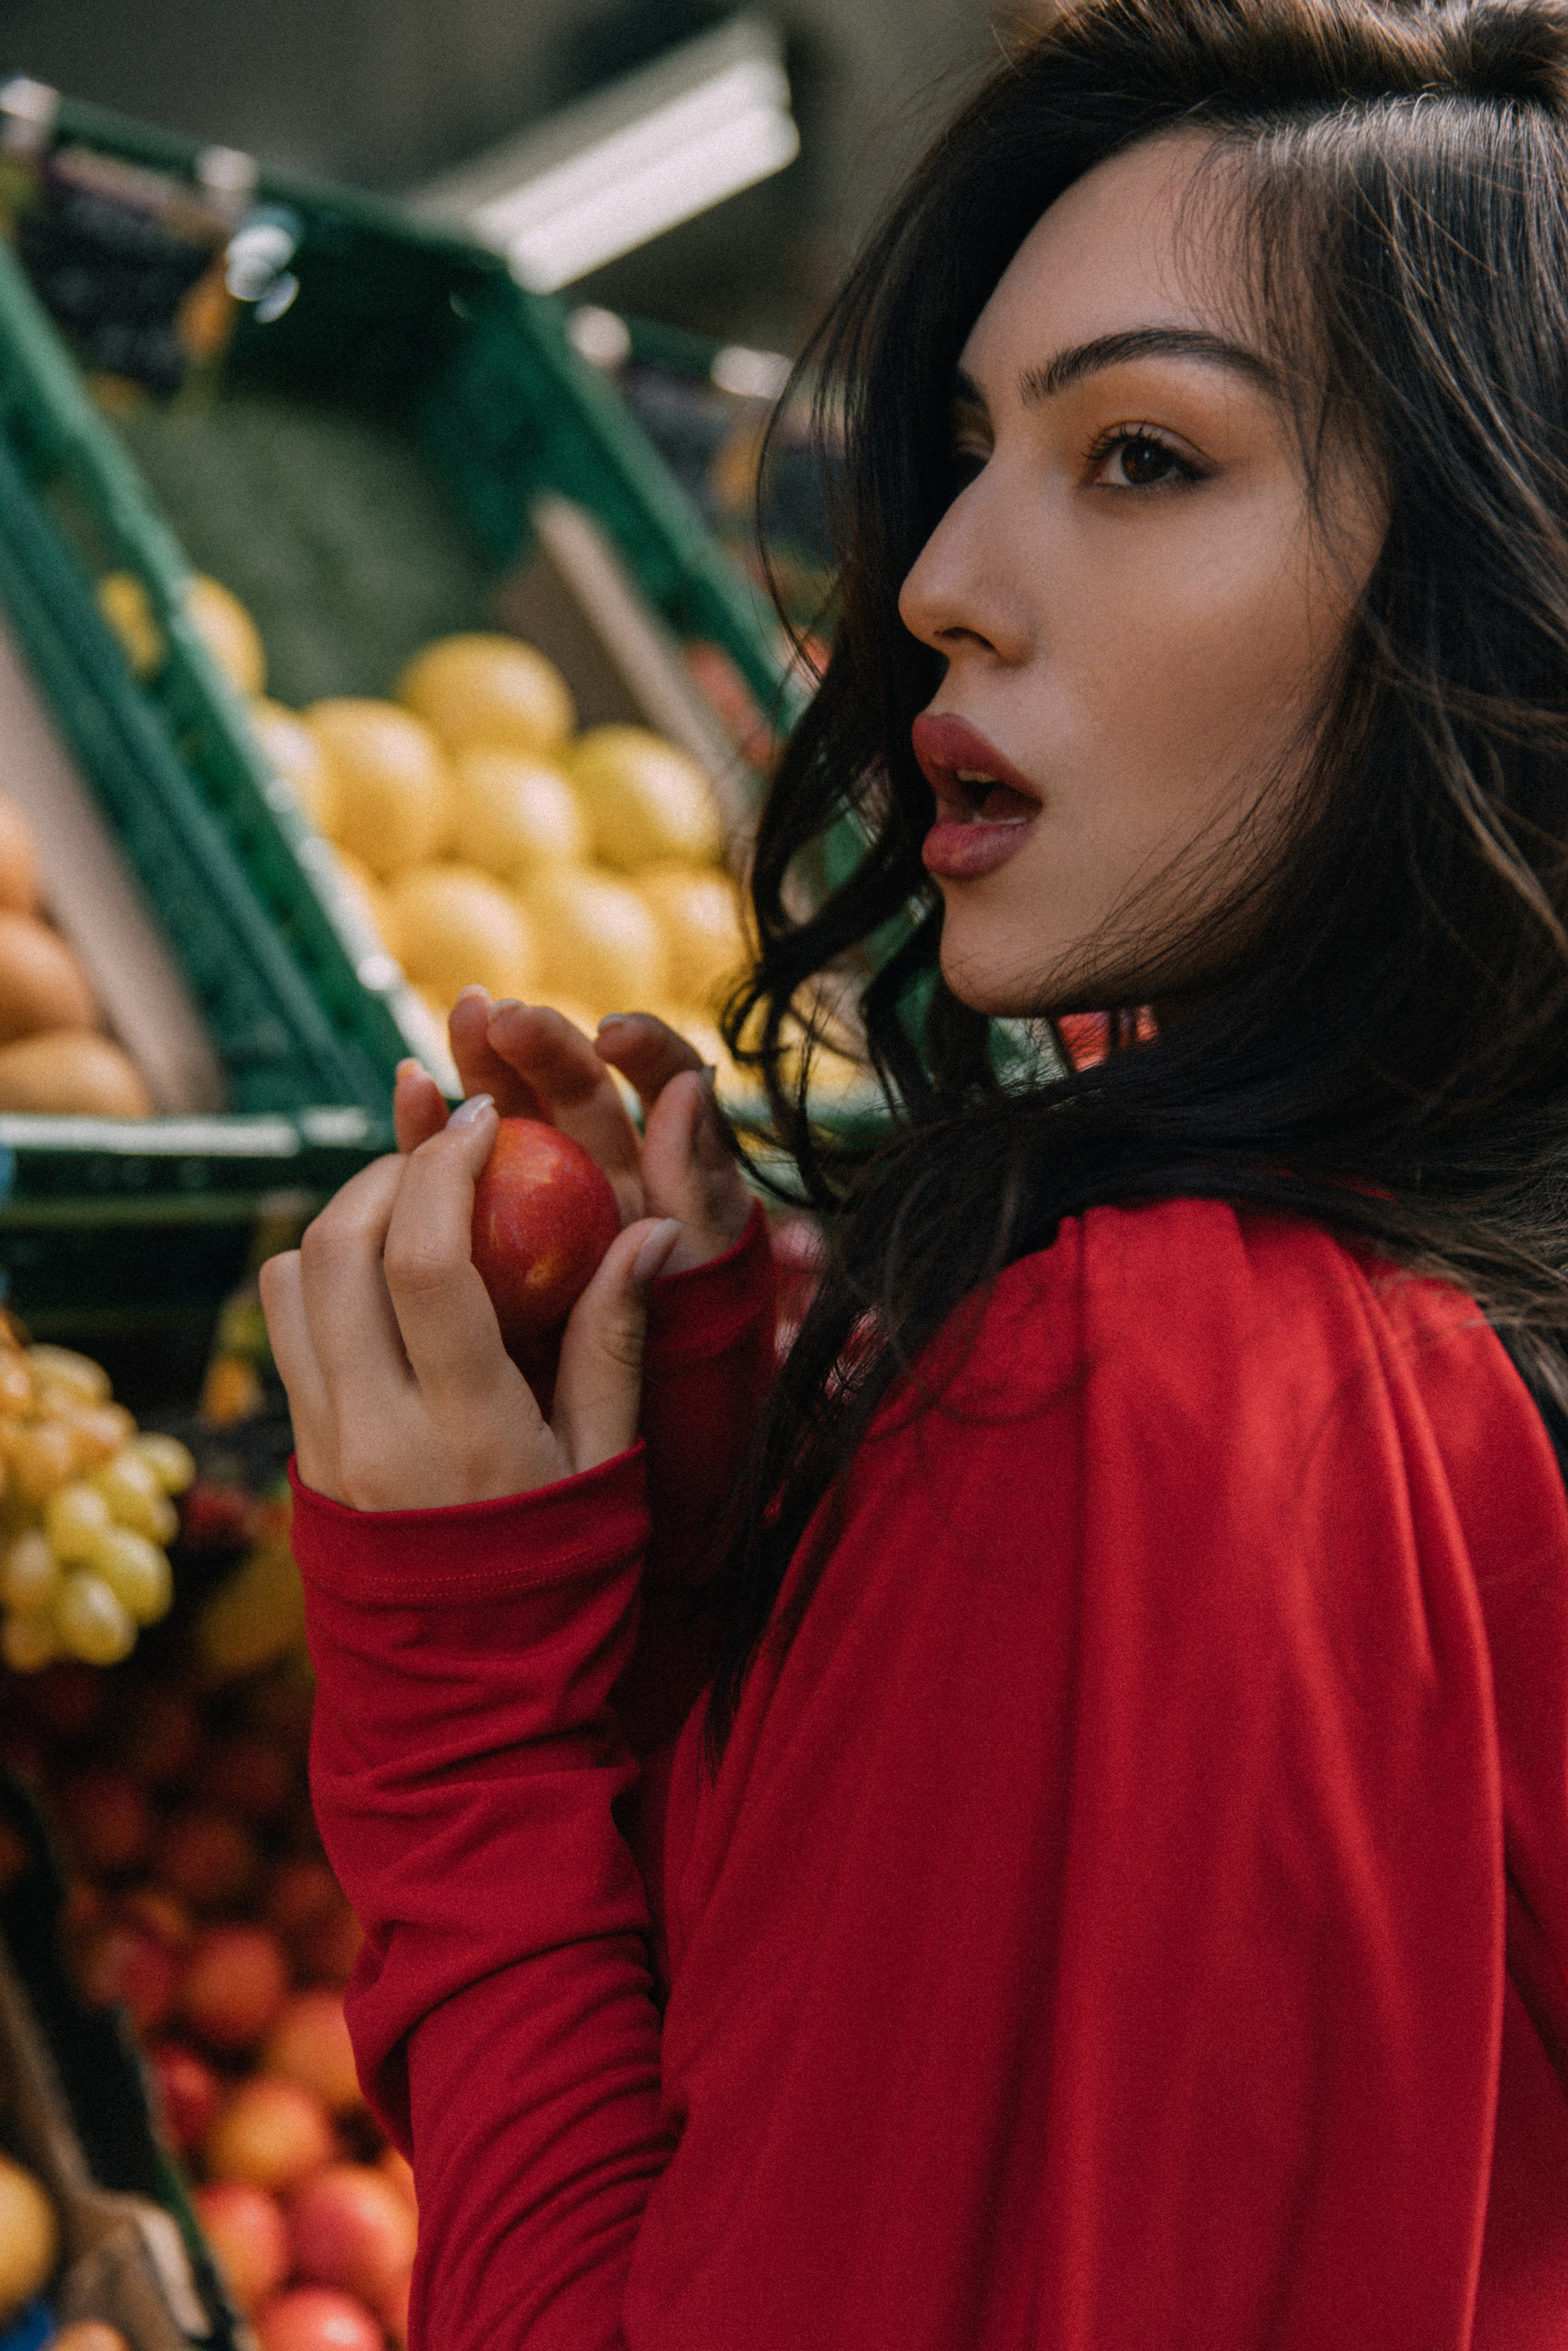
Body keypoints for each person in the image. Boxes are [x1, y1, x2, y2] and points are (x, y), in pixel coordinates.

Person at [258, 0, 1568, 2340]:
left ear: (1490, 588)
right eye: (971, 445)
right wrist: (722, 1532)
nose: (945, 571)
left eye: (1145, 457)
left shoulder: (1160, 1384)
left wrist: (458, 1691)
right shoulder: (1446, 1307)